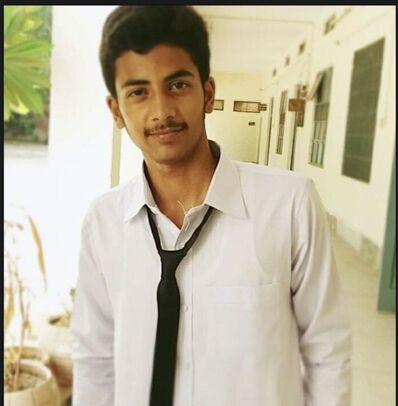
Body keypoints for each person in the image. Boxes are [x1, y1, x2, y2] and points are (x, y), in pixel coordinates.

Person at [71, 5, 352, 406]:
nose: (162, 111)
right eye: (138, 92)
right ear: (117, 110)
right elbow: (95, 360)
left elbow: (327, 352)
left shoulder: (288, 205)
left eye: (177, 85)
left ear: (207, 93)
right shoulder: (103, 222)